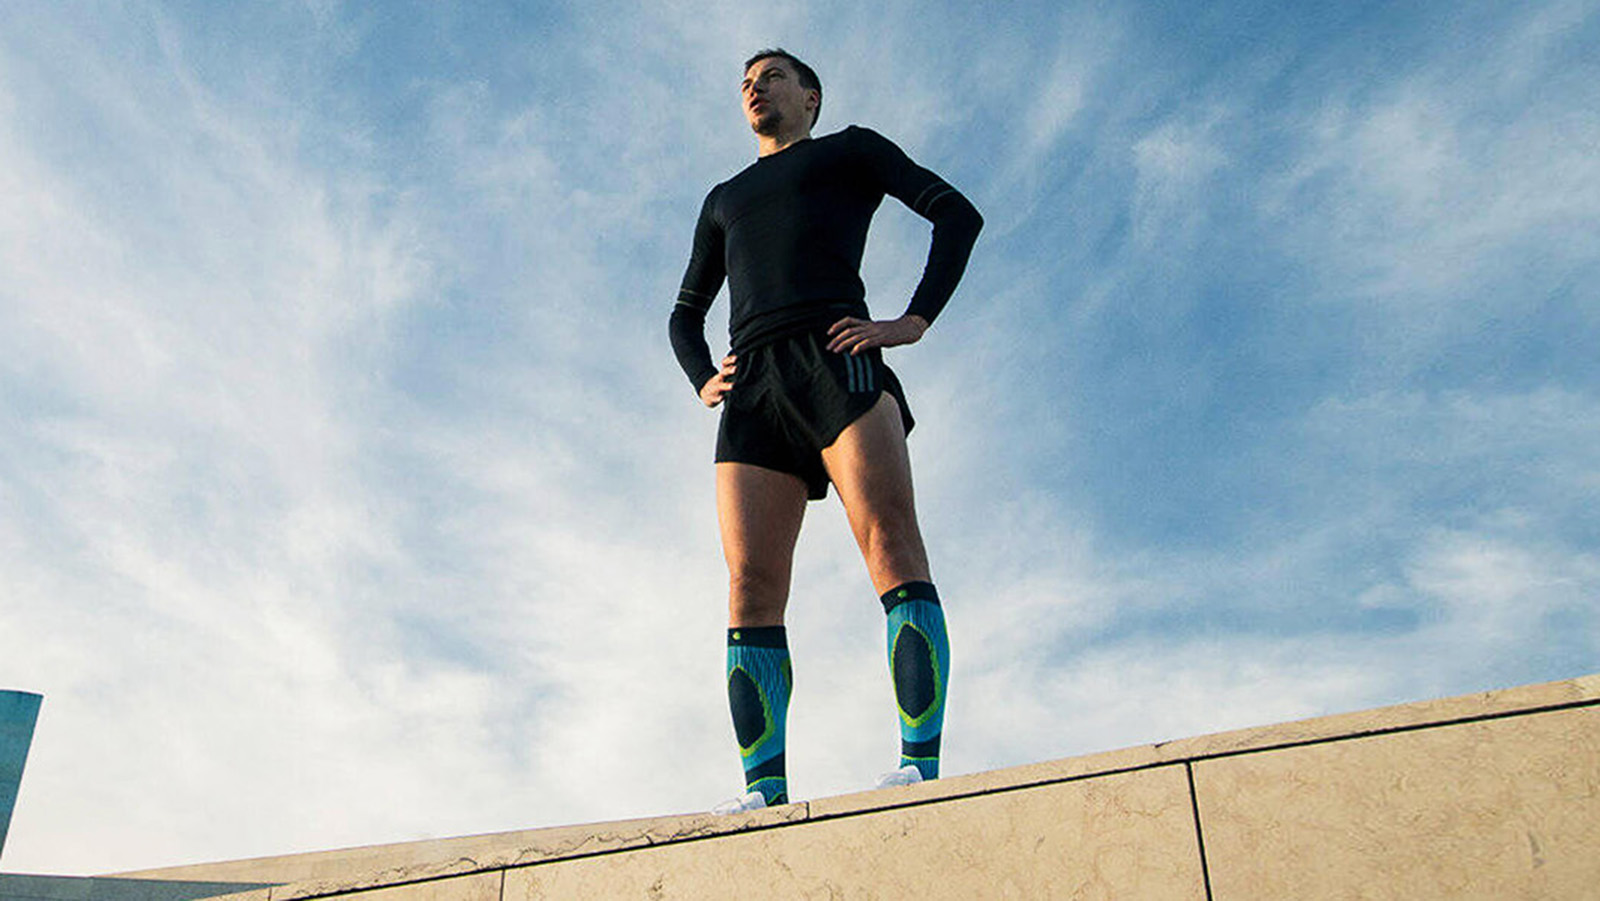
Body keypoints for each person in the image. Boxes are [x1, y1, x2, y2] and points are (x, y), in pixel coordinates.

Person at [670, 48, 982, 813]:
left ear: (809, 96)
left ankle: (918, 762)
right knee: (749, 586)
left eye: (771, 76)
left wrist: (911, 322)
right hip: (754, 388)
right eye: (745, 81)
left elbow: (956, 215)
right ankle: (764, 791)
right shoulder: (723, 197)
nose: (754, 87)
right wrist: (702, 375)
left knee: (889, 540)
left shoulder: (852, 150)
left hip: (837, 358)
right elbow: (684, 312)